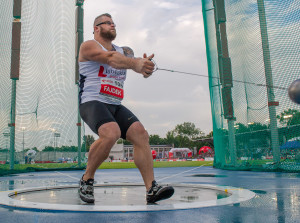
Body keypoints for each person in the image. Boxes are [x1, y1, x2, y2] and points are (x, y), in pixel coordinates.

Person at [78, 13, 174, 204]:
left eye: (114, 23)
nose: (113, 25)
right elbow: (112, 59)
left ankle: (151, 188)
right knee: (111, 132)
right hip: (92, 101)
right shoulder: (88, 46)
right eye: (108, 23)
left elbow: (134, 63)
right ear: (97, 28)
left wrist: (145, 67)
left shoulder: (126, 51)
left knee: (140, 133)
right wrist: (136, 64)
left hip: (114, 104)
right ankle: (86, 179)